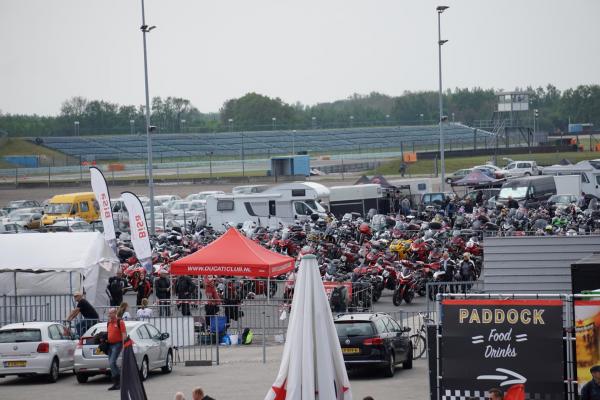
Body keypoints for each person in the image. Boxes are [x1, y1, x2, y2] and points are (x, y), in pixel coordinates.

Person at [106, 307, 126, 390]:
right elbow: (108, 333)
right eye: (109, 313)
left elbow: (124, 334)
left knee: (112, 362)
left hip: (117, 344)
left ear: (115, 313)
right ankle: (116, 383)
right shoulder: (108, 323)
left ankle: (119, 381)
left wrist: (124, 345)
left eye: (111, 313)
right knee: (111, 364)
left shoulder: (120, 322)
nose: (109, 315)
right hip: (110, 345)